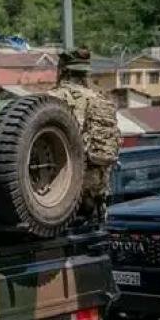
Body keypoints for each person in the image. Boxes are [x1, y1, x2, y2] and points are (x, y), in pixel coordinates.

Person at [48, 48, 120, 220]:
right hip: (94, 188)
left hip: (59, 189)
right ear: (86, 72)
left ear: (63, 71)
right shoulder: (99, 99)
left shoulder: (49, 99)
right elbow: (108, 148)